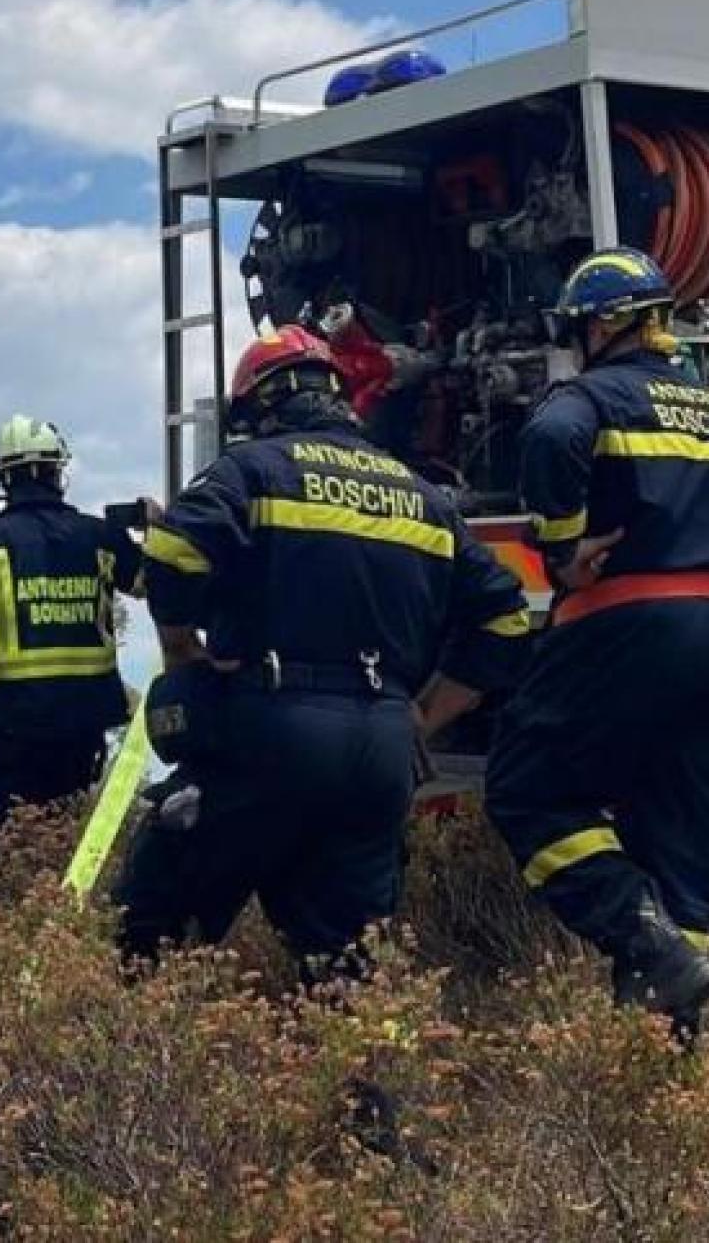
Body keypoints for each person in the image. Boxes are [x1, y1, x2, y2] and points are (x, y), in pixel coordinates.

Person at [114, 327, 530, 980]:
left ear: (261, 405)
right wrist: (425, 714)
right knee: (348, 970)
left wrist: (182, 650)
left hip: (271, 729)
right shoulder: (424, 498)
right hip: (384, 749)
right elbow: (507, 618)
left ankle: (142, 1033)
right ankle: (353, 1045)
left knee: (152, 930)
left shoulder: (253, 470)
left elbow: (172, 552)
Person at [484, 248, 709, 1036]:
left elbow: (551, 436)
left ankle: (644, 939)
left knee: (526, 789)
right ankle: (668, 1043)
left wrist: (563, 546)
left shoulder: (591, 395)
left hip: (633, 625)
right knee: (680, 834)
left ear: (604, 324)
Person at [0, 415, 144, 838]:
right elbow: (164, 585)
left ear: (3, 479)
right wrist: (160, 529)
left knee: (5, 850)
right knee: (70, 844)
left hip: (9, 730)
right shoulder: (100, 539)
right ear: (58, 472)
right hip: (82, 729)